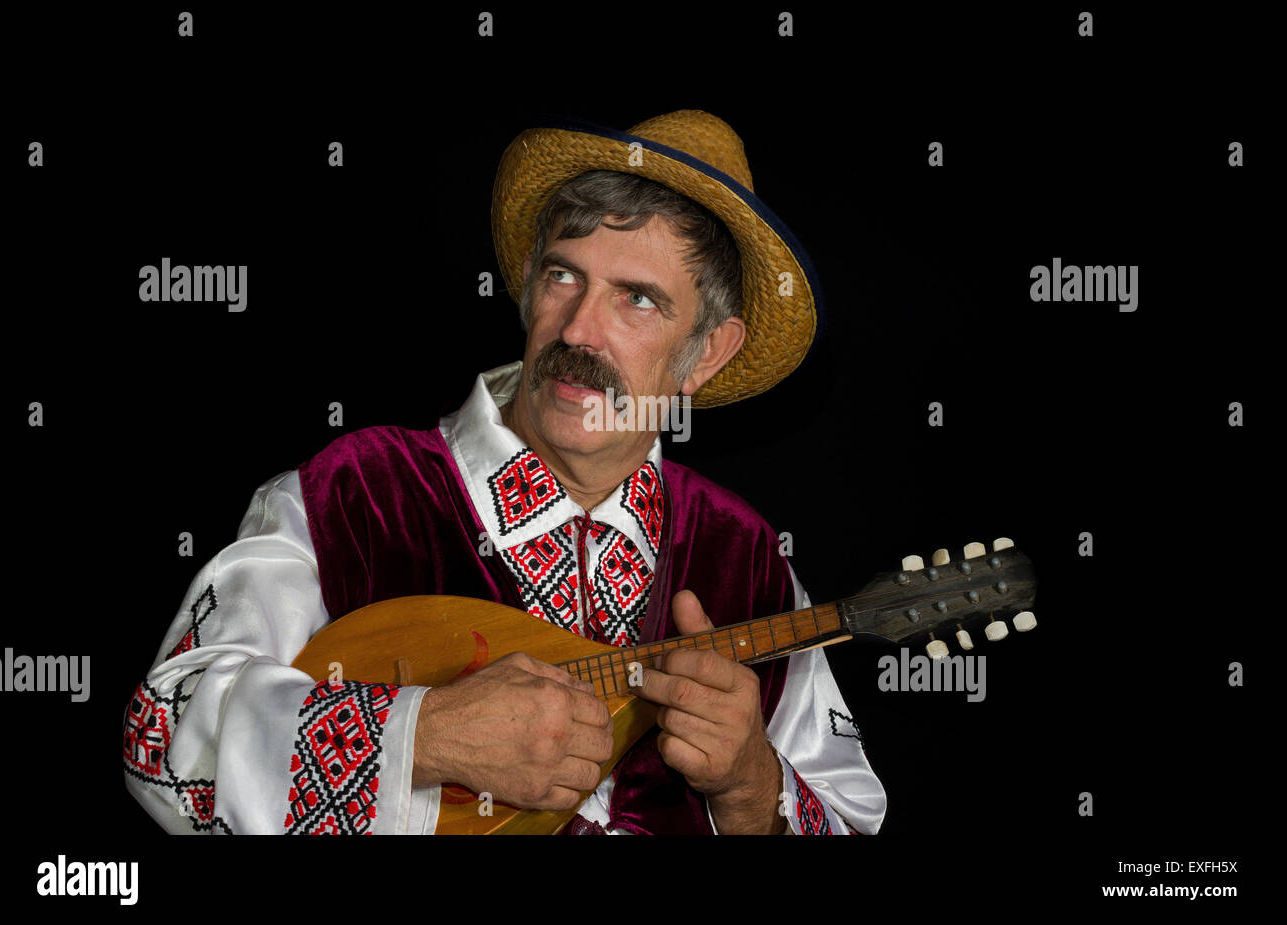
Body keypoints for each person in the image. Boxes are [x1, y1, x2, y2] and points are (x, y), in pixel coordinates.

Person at [122, 110, 887, 835]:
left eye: (638, 300)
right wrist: (420, 734)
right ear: (527, 283)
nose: (579, 328)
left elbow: (851, 812)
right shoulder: (353, 496)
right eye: (563, 276)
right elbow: (159, 742)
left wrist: (753, 788)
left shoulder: (746, 558)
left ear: (710, 351)